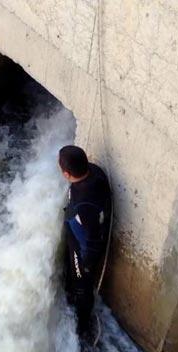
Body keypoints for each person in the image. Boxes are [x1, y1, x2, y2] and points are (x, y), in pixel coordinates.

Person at [58, 145, 112, 342]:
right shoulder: (95, 173)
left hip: (82, 251)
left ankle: (82, 327)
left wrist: (87, 264)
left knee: (81, 286)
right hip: (78, 235)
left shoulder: (84, 206)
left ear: (66, 173)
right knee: (73, 280)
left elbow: (91, 239)